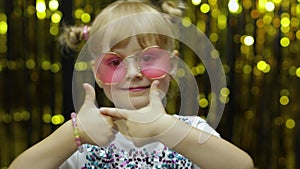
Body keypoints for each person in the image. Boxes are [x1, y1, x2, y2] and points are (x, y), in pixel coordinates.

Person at [9, 0, 254, 169]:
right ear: (97, 73)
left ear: (172, 65)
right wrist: (75, 133)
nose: (134, 72)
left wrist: (164, 128)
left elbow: (243, 166)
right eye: (115, 62)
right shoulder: (86, 138)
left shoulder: (191, 130)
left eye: (148, 58)